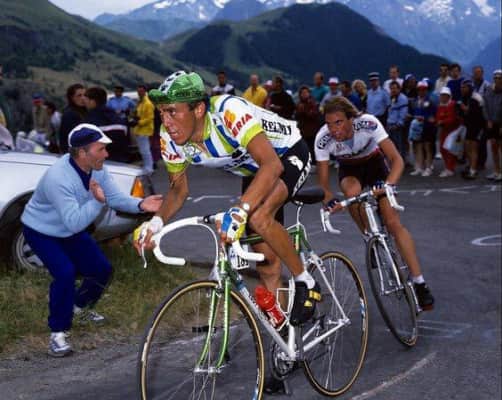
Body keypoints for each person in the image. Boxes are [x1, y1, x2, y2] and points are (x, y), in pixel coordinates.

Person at [133, 71, 321, 333]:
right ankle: (282, 336)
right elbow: (178, 191)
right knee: (266, 263)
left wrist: (241, 210)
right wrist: (154, 224)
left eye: (172, 111)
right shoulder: (169, 137)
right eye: (162, 112)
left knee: (258, 216)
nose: (166, 121)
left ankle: (305, 280)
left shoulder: (228, 112)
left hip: (284, 155)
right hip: (255, 171)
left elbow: (271, 166)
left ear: (198, 109)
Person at [20, 123, 162, 357]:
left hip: (67, 229)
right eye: (101, 149)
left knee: (101, 269)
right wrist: (97, 201)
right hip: (41, 230)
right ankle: (57, 333)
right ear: (82, 152)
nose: (106, 154)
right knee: (65, 273)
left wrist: (141, 204)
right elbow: (75, 222)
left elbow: (115, 198)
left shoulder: (97, 168)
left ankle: (80, 307)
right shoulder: (58, 178)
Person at [314, 97, 434, 310]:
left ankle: (419, 282)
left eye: (338, 122)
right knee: (352, 194)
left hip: (376, 166)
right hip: (349, 170)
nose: (333, 129)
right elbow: (323, 184)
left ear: (351, 119)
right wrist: (329, 201)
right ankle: (368, 236)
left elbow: (396, 160)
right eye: (329, 124)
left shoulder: (368, 123)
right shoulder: (322, 138)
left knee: (393, 223)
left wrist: (389, 184)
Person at [84, 86, 129, 163]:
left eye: (86, 100)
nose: (85, 103)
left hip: (99, 162)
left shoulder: (89, 121)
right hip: (120, 162)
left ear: (92, 101)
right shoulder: (119, 120)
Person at [408, 80, 436, 176]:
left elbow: (433, 116)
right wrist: (410, 116)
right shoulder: (414, 101)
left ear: (426, 90)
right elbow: (412, 113)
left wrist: (425, 118)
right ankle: (419, 167)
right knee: (418, 146)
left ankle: (428, 168)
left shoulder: (430, 101)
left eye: (424, 89)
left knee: (427, 147)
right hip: (417, 127)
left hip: (427, 127)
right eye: (420, 89)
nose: (421, 91)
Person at [458, 80, 485, 179]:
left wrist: (465, 109)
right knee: (467, 146)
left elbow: (477, 113)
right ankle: (471, 166)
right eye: (461, 87)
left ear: (469, 88)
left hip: (477, 125)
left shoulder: (476, 98)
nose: (462, 89)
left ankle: (473, 170)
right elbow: (462, 113)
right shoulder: (464, 97)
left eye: (464, 87)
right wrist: (463, 110)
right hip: (468, 125)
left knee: (473, 147)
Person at [436, 87, 462, 177]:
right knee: (443, 149)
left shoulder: (452, 105)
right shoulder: (441, 105)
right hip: (444, 130)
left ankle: (450, 168)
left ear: (449, 96)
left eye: (445, 95)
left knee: (450, 149)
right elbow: (438, 117)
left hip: (453, 130)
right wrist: (439, 121)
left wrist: (442, 121)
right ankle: (447, 167)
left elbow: (452, 119)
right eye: (442, 95)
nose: (443, 97)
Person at [483, 69, 502, 181]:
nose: (497, 80)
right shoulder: (489, 90)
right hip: (491, 123)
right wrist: (488, 120)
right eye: (496, 78)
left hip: (500, 123)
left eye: (500, 78)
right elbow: (484, 106)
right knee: (493, 147)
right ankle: (496, 171)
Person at [295, 85, 322, 165]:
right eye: (302, 93)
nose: (304, 94)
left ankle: (314, 164)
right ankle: (306, 163)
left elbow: (314, 115)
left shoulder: (313, 103)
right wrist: (299, 111)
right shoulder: (299, 104)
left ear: (309, 93)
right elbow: (296, 116)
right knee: (304, 148)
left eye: (306, 92)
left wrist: (304, 110)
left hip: (312, 131)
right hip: (302, 130)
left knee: (312, 148)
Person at [132, 84, 155, 174]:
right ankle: (147, 166)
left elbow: (150, 118)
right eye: (138, 91)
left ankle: (149, 168)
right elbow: (139, 114)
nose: (139, 93)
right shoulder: (140, 102)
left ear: (145, 92)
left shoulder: (148, 103)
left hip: (145, 130)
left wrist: (138, 122)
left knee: (145, 150)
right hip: (139, 129)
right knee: (143, 150)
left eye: (141, 91)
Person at [60, 83, 87, 153]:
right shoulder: (69, 114)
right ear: (72, 98)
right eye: (79, 95)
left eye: (85, 95)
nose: (83, 98)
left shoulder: (86, 111)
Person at [386, 81, 409, 161]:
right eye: (391, 88)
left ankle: (402, 162)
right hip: (390, 125)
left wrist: (398, 125)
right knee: (392, 146)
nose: (393, 90)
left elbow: (403, 114)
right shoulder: (392, 98)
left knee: (400, 146)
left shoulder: (403, 98)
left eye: (395, 88)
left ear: (399, 89)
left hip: (398, 127)